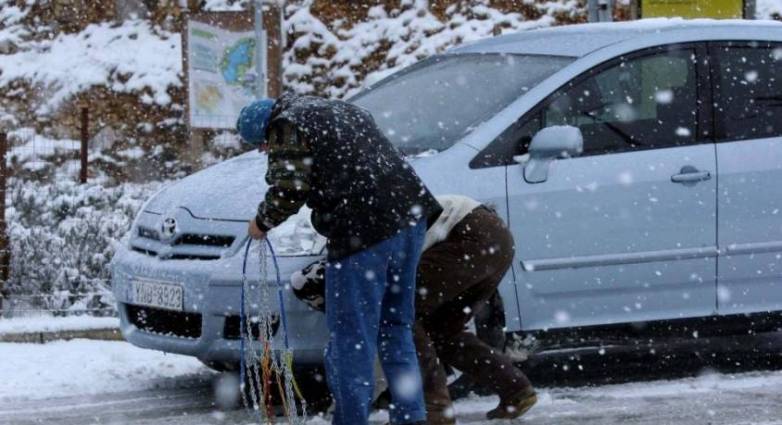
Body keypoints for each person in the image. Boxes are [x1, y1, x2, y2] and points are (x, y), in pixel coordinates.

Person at [236, 93, 441, 425]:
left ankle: (350, 419)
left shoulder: (288, 125)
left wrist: (262, 222)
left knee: (351, 337)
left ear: (266, 131)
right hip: (410, 216)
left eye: (262, 145)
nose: (265, 151)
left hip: (363, 230)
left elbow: (289, 189)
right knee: (395, 326)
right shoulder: (335, 108)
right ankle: (411, 416)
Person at [292, 195, 537, 424]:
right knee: (442, 330)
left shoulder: (364, 240)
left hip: (467, 235)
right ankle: (515, 389)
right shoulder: (369, 220)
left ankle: (433, 409)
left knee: (399, 318)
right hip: (495, 239)